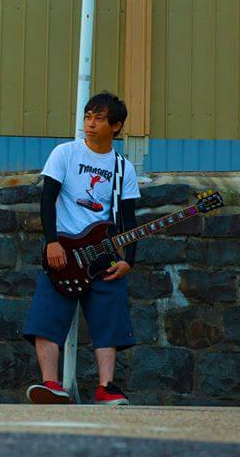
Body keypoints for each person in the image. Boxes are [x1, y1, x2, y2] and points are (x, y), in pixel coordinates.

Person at [23, 91, 141, 405]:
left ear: (116, 126)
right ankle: (51, 384)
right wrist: (52, 241)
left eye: (99, 118)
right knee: (47, 317)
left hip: (102, 254)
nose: (90, 124)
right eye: (88, 116)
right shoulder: (65, 153)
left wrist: (129, 259)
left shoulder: (122, 168)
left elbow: (128, 218)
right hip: (63, 249)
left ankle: (107, 387)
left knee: (108, 318)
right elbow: (47, 199)